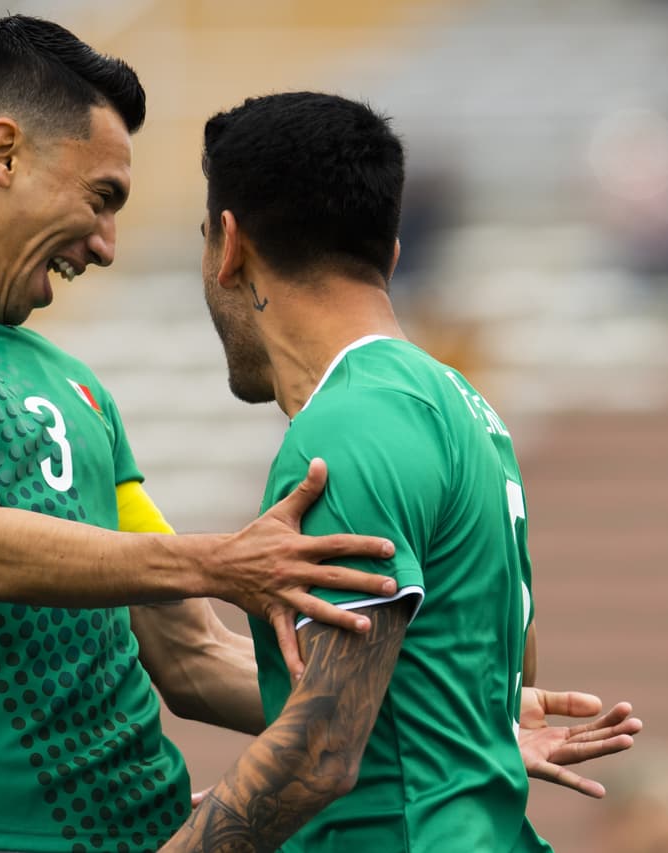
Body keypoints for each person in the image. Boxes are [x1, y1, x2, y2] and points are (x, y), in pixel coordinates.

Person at [0, 20, 398, 853]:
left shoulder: (79, 389)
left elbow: (192, 652)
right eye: (102, 198)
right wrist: (221, 560)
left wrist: (432, 717)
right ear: (4, 153)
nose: (107, 245)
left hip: (139, 830)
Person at [164, 92, 643, 853]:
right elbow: (483, 686)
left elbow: (321, 751)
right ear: (386, 253)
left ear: (229, 245)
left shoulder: (348, 427)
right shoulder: (464, 407)